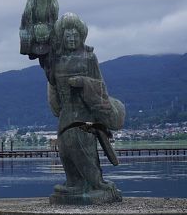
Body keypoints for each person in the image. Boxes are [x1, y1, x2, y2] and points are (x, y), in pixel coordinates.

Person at [41, 13, 125, 202]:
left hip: (84, 112)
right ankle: (74, 182)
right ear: (62, 37)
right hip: (66, 112)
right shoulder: (57, 60)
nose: (71, 39)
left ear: (81, 36)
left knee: (83, 147)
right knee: (65, 148)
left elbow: (101, 87)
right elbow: (51, 80)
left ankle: (95, 183)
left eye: (74, 35)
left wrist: (83, 82)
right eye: (67, 35)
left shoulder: (89, 58)